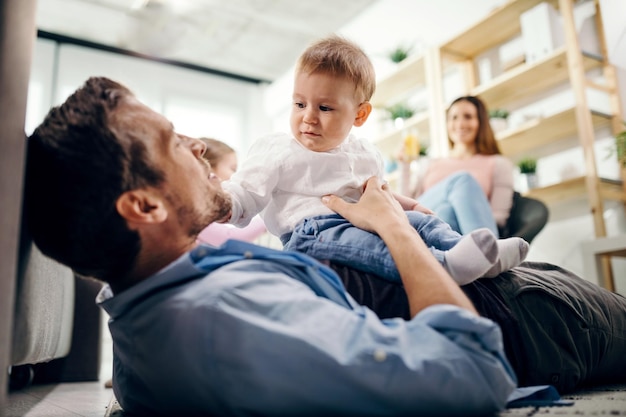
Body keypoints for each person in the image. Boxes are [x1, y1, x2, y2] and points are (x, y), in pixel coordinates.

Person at [23, 77, 626, 416]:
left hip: (501, 291)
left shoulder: (149, 300)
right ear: (145, 207)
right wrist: (389, 224)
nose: (196, 145)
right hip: (526, 319)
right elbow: (472, 373)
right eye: (170, 142)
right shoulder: (222, 321)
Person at [223, 35, 528, 286]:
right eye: (300, 103)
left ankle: (478, 253)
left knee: (422, 222)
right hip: (313, 230)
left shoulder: (363, 153)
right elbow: (247, 190)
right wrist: (225, 202)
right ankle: (443, 267)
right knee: (373, 246)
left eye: (325, 108)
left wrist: (409, 206)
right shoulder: (278, 149)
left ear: (360, 114)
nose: (308, 117)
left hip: (367, 217)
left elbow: (376, 194)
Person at [399, 95, 515, 237]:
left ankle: (476, 252)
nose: (460, 124)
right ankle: (487, 251)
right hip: (422, 226)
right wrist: (404, 165)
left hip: (458, 234)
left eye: (468, 116)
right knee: (462, 180)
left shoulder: (498, 163)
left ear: (481, 122)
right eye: (453, 118)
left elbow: (498, 217)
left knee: (446, 211)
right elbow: (406, 207)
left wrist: (459, 212)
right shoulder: (430, 163)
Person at [196, 137, 267, 246]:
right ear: (209, 169)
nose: (235, 175)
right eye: (233, 169)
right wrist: (268, 220)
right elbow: (229, 237)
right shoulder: (195, 204)